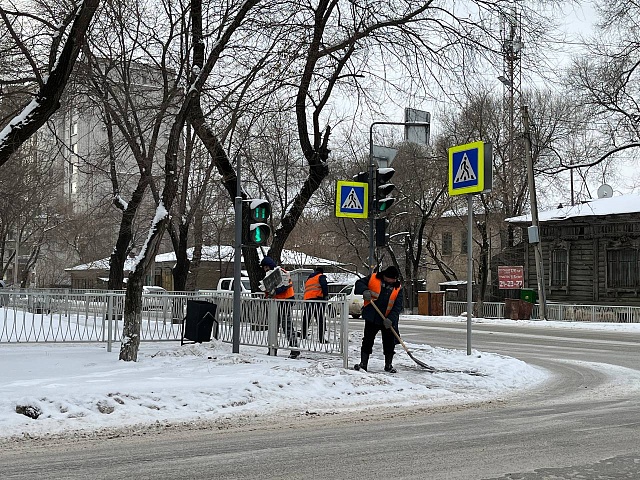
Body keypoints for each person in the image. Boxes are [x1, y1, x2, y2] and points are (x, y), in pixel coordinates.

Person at [353, 265, 403, 373]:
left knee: (389, 342)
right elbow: (359, 283)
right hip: (372, 316)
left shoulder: (397, 287)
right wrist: (364, 290)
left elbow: (398, 307)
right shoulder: (373, 278)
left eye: (395, 279)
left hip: (387, 319)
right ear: (385, 276)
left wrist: (390, 319)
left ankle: (388, 365)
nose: (394, 281)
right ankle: (363, 364)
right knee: (367, 340)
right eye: (392, 278)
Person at [260, 256, 300, 359]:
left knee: (286, 325)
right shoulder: (273, 273)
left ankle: (294, 349)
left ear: (268, 266)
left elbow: (285, 286)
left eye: (265, 267)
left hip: (285, 301)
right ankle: (273, 348)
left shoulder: (281, 272)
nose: (264, 269)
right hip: (278, 302)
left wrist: (274, 292)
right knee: (275, 325)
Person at [302, 266, 329, 342]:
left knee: (307, 318)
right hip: (317, 299)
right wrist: (326, 295)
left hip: (308, 299)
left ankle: (303, 335)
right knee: (320, 319)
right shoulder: (320, 276)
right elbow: (324, 286)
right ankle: (321, 338)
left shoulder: (309, 279)